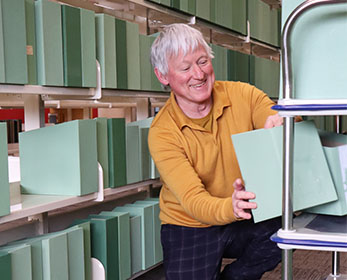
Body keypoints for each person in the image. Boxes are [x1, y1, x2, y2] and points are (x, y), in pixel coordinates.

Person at [148, 23, 283, 280]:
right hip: (190, 223)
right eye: (185, 68)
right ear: (163, 76)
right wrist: (230, 208)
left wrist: (282, 122)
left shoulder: (243, 94)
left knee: (285, 230)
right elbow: (194, 201)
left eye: (202, 61)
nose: (198, 74)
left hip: (243, 212)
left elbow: (274, 113)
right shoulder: (162, 132)